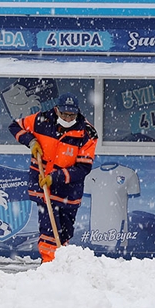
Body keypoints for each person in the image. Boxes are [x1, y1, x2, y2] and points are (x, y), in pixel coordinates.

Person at [9, 93, 98, 262]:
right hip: (43, 185)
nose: (67, 117)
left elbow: (83, 168)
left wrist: (55, 177)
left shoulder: (87, 133)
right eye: (64, 113)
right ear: (56, 109)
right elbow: (15, 126)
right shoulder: (41, 120)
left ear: (77, 112)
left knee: (64, 231)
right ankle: (49, 265)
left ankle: (60, 264)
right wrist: (31, 141)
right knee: (49, 230)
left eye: (71, 114)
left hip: (68, 190)